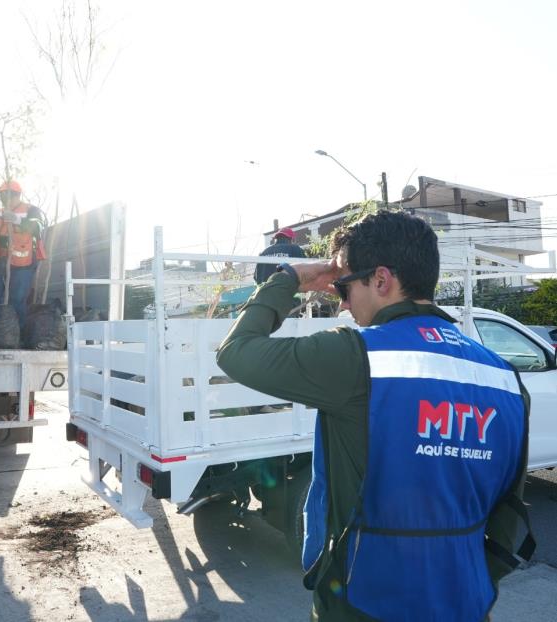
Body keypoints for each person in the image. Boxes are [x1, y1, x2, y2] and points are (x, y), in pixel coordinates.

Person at [217, 210, 534, 621]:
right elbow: (509, 510)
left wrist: (290, 279)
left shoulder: (356, 355)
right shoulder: (505, 378)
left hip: (365, 602)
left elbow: (236, 352)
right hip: (467, 601)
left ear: (381, 280)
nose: (342, 303)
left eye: (344, 287)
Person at [0, 180, 46, 328]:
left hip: (23, 262)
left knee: (17, 299)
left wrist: (17, 220)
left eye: (2, 194)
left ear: (10, 194)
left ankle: (16, 336)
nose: (0, 198)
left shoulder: (31, 210)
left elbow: (38, 227)